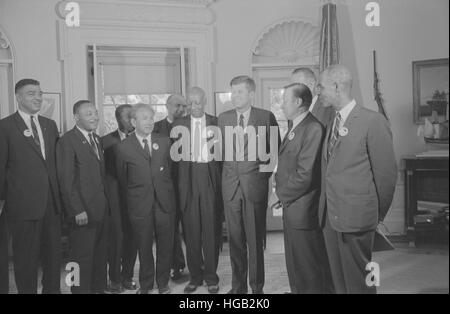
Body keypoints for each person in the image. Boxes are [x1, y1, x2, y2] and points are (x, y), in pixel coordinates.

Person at [317, 65, 397, 294]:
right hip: (330, 220)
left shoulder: (372, 121)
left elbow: (386, 176)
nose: (319, 92)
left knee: (359, 283)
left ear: (336, 86)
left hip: (358, 219)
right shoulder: (332, 122)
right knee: (339, 283)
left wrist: (374, 215)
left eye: (321, 87)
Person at [218, 75, 280, 294]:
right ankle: (238, 287)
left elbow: (274, 154)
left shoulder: (266, 117)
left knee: (254, 241)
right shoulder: (223, 118)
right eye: (233, 92)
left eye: (240, 92)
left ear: (251, 94)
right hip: (231, 189)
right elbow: (220, 156)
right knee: (234, 241)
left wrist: (261, 180)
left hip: (255, 188)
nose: (235, 96)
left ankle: (257, 288)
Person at [0, 79, 62, 294]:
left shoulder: (49, 125)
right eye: (31, 93)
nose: (37, 97)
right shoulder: (5, 126)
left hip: (52, 205)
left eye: (39, 93)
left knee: (53, 258)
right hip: (23, 206)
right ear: (18, 97)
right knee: (25, 260)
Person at [275, 83, 332, 294]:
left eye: (285, 100)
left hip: (304, 210)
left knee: (308, 268)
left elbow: (306, 175)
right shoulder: (295, 126)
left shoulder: (313, 128)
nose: (281, 105)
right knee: (294, 263)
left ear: (298, 103)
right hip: (293, 208)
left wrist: (279, 194)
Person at [115, 104, 175, 294]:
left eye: (151, 117)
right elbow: (122, 178)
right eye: (144, 118)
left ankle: (163, 283)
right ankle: (146, 285)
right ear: (133, 122)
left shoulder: (165, 141)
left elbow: (171, 172)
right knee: (144, 247)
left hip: (164, 204)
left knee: (165, 246)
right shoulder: (122, 147)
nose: (150, 121)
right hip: (139, 205)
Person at [57, 100, 109, 294]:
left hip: (100, 209)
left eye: (95, 112)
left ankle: (98, 288)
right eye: (89, 114)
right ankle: (78, 291)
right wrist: (77, 209)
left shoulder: (96, 139)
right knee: (79, 258)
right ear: (76, 117)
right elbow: (66, 180)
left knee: (99, 254)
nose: (94, 116)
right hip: (82, 212)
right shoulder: (67, 141)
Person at [174, 87, 222, 294]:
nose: (194, 106)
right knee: (191, 233)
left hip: (210, 179)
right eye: (190, 103)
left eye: (198, 102)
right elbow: (172, 161)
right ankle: (195, 277)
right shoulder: (177, 125)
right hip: (187, 181)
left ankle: (211, 277)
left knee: (211, 232)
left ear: (205, 102)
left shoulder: (217, 122)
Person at [102, 104, 138, 293]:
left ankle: (127, 277)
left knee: (133, 239)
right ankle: (114, 278)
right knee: (116, 239)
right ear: (118, 119)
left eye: (134, 116)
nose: (132, 120)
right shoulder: (105, 142)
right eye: (127, 117)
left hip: (136, 198)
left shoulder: (141, 139)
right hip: (114, 200)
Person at [153, 94, 187, 281]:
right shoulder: (156, 128)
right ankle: (176, 266)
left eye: (184, 105)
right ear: (167, 106)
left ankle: (198, 265)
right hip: (166, 187)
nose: (181, 109)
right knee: (170, 230)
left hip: (188, 185)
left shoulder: (191, 125)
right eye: (177, 105)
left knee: (192, 228)